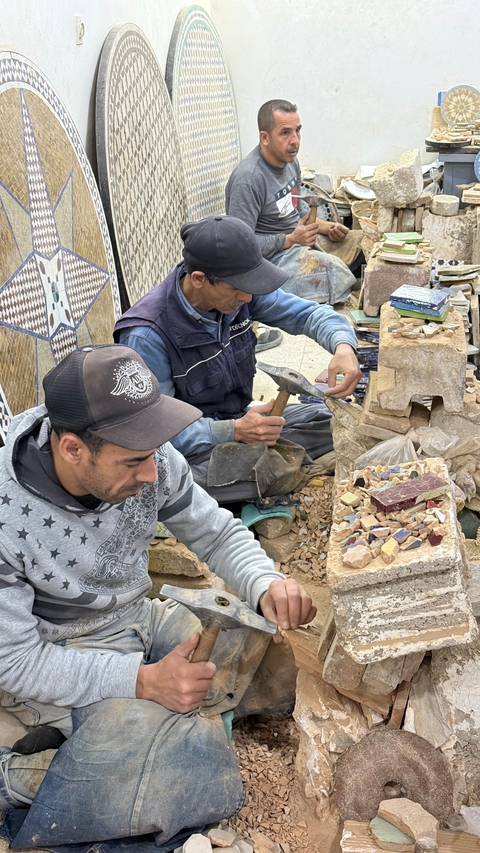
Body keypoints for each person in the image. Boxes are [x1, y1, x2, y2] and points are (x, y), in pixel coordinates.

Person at [0, 343, 316, 852]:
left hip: (138, 617)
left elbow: (215, 532)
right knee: (154, 739)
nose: (152, 474)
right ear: (73, 449)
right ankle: (20, 775)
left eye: (151, 455)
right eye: (133, 462)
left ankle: (118, 744)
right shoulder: (6, 519)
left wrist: (264, 582)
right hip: (61, 652)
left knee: (264, 649)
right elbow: (15, 661)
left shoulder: (148, 455)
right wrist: (142, 683)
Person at [114, 215, 361, 501]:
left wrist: (344, 346)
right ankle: (277, 473)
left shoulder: (241, 292)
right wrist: (231, 431)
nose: (246, 297)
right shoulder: (147, 336)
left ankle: (279, 470)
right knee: (182, 480)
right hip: (194, 447)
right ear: (199, 279)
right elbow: (157, 433)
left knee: (334, 420)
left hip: (240, 418)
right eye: (236, 289)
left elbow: (307, 314)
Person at [225, 99, 365, 305]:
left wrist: (328, 228)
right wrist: (289, 240)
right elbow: (239, 246)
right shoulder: (249, 179)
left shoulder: (290, 161)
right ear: (264, 137)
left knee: (364, 241)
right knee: (332, 270)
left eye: (297, 131)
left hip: (299, 241)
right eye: (285, 133)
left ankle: (348, 279)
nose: (295, 140)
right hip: (273, 259)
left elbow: (299, 210)